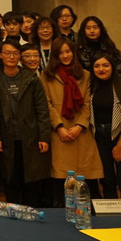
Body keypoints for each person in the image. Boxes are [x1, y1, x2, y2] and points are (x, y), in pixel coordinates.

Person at [41, 37, 103, 205]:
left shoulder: (85, 74)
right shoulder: (46, 75)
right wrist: (59, 127)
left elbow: (87, 103)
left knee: (86, 178)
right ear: (55, 55)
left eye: (68, 51)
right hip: (59, 133)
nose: (65, 55)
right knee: (61, 178)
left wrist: (79, 126)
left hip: (81, 133)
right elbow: (46, 104)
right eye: (61, 53)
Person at [0, 39, 51, 207]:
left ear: (19, 56)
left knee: (31, 181)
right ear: (0, 55)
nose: (11, 57)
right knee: (11, 180)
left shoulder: (31, 78)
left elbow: (42, 109)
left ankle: (31, 215)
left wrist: (44, 137)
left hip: (30, 136)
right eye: (7, 53)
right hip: (7, 137)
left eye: (15, 53)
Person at [90, 53, 121, 198]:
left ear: (112, 67)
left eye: (105, 65)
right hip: (99, 139)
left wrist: (120, 145)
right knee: (107, 181)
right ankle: (110, 212)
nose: (101, 69)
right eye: (97, 66)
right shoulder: (90, 88)